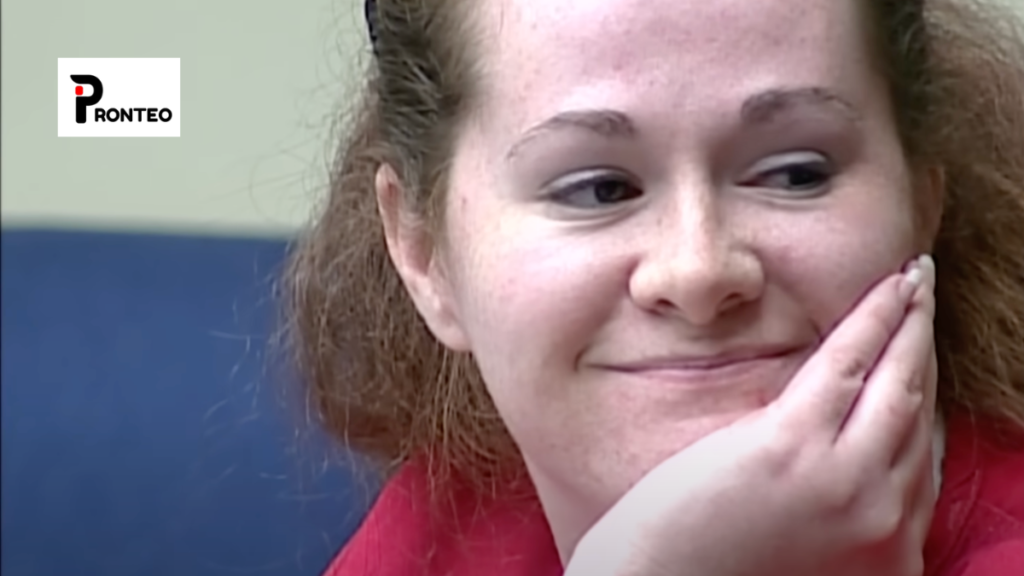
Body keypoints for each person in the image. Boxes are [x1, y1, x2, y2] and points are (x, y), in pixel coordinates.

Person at [283, 0, 1024, 574]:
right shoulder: (445, 525)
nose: (698, 272)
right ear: (423, 255)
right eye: (597, 189)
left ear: (924, 201)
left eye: (796, 173)